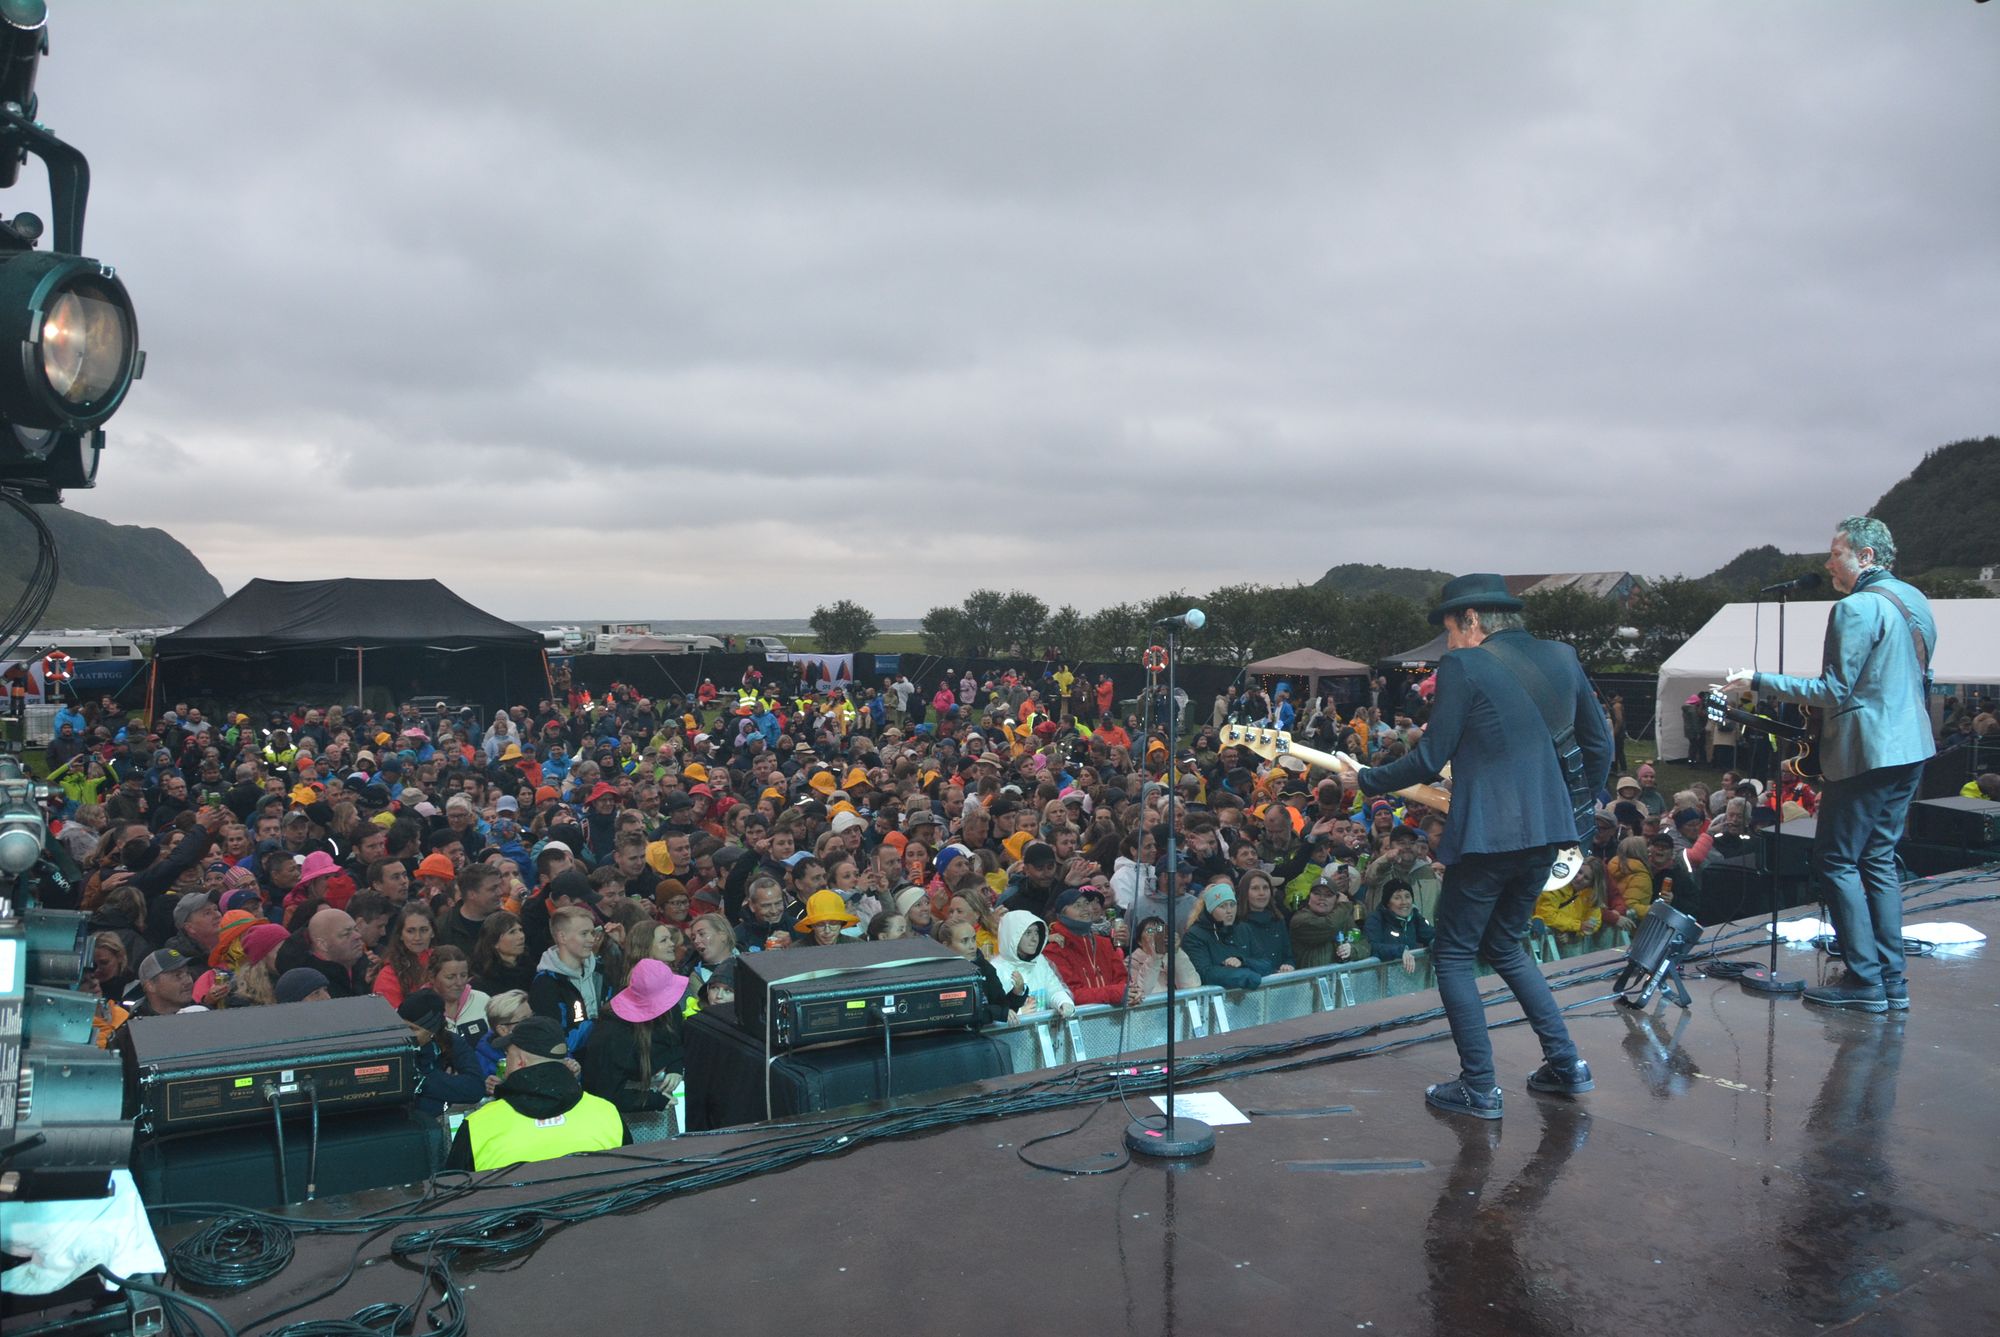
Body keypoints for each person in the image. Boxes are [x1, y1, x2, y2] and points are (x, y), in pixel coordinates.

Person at [1348, 573, 1611, 1121]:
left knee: (1454, 954)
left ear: (1472, 621)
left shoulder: (1464, 666)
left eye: (1450, 630)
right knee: (1509, 945)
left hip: (1489, 836)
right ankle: (1566, 1065)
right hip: (1550, 833)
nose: (1448, 644)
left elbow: (1427, 757)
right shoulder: (1563, 656)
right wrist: (1570, 810)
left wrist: (1367, 779)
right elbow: (1599, 745)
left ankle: (1479, 1086)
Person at [1728, 516, 1935, 1013]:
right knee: (1878, 860)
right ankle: (1892, 981)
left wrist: (1758, 679)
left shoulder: (1854, 608)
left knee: (1837, 860)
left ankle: (1866, 980)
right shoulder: (1917, 601)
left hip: (1867, 751)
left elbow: (1832, 691)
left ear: (1865, 557)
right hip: (1913, 747)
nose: (1827, 563)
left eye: (1835, 552)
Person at [445, 1015, 627, 1171]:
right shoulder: (607, 1114)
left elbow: (452, 1197)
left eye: (508, 1054)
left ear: (520, 1062)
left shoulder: (478, 1126)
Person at [580, 958, 688, 1118]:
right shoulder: (612, 1036)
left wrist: (676, 1066)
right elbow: (605, 1093)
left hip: (662, 1108)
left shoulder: (671, 1011)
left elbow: (678, 1042)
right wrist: (654, 1100)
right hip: (626, 1117)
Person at [1040, 887, 1128, 1006]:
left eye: (1086, 903)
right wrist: (1116, 993)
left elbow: (1123, 979)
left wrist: (1129, 992)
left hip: (1113, 1019)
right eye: (1077, 905)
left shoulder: (1105, 943)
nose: (1085, 909)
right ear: (1061, 914)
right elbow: (1071, 993)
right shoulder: (1054, 950)